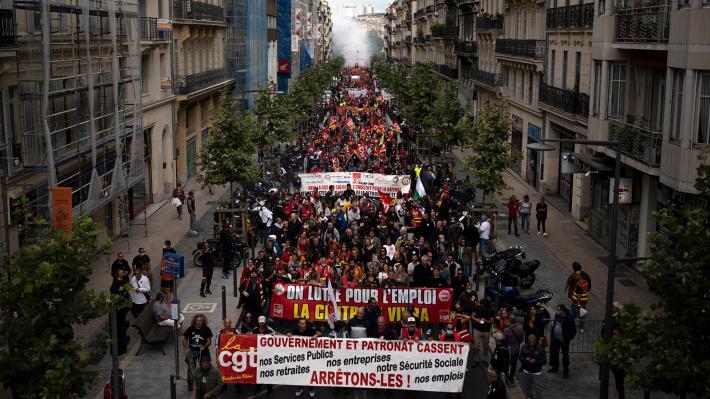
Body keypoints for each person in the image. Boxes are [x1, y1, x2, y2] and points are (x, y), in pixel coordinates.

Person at [288, 318, 320, 398]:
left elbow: (319, 333)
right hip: (299, 357)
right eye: (302, 324)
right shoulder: (295, 331)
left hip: (309, 356)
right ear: (298, 324)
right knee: (300, 373)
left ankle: (311, 389)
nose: (304, 325)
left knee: (309, 373)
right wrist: (288, 334)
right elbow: (287, 333)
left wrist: (316, 335)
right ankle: (300, 388)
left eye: (305, 323)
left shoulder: (310, 330)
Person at [183, 314, 213, 391]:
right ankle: (190, 384)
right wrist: (186, 348)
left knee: (204, 367)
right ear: (194, 321)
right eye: (197, 320)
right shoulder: (190, 329)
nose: (198, 322)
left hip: (203, 350)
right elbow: (185, 338)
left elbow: (209, 341)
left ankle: (202, 383)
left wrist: (204, 346)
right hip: (192, 350)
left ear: (203, 321)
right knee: (191, 368)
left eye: (200, 320)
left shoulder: (207, 329)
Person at [548, 304, 576, 378]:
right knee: (554, 353)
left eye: (558, 310)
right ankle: (555, 367)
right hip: (556, 339)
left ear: (563, 310)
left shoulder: (569, 318)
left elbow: (573, 330)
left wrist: (569, 338)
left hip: (564, 340)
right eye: (557, 309)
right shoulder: (557, 316)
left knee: (565, 355)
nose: (557, 311)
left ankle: (566, 371)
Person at [109, 268, 130, 355]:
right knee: (119, 327)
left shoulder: (124, 280)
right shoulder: (116, 282)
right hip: (118, 308)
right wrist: (120, 291)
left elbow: (129, 289)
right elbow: (113, 292)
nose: (123, 273)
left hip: (123, 307)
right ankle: (119, 348)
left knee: (122, 327)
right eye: (121, 272)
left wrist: (126, 291)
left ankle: (124, 343)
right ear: (118, 274)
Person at [519, 334, 546, 399]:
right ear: (528, 341)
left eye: (533, 342)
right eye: (530, 342)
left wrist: (536, 361)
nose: (532, 343)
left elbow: (544, 361)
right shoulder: (524, 347)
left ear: (536, 341)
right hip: (526, 371)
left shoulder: (540, 348)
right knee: (527, 388)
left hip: (536, 372)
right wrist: (525, 359)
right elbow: (520, 357)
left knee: (538, 388)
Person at [472, 298, 494, 366]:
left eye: (482, 304)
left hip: (486, 331)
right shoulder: (477, 308)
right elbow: (472, 316)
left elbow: (491, 321)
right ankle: (476, 360)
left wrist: (485, 320)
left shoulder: (491, 310)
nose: (480, 305)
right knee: (476, 346)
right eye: (480, 304)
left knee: (485, 346)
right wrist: (476, 320)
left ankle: (485, 359)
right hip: (477, 329)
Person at [503, 316, 525, 385]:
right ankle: (511, 377)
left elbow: (504, 340)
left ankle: (506, 376)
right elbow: (521, 339)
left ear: (509, 321)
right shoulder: (520, 329)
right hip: (516, 349)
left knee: (507, 363)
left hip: (508, 350)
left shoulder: (506, 330)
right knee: (514, 364)